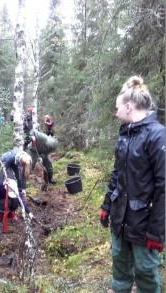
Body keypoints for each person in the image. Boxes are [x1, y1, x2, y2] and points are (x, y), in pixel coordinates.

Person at [100, 76, 165, 293]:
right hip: (120, 217)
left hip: (145, 223)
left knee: (146, 273)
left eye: (117, 107)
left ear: (128, 107)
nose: (115, 111)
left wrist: (157, 232)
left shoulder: (157, 135)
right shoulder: (125, 134)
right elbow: (118, 174)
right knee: (119, 267)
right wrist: (106, 205)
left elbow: (163, 187)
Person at [0, 150, 33, 225]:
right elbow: (4, 169)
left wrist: (29, 212)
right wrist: (3, 182)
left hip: (5, 195)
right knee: (7, 202)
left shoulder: (13, 185)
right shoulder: (0, 186)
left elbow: (21, 199)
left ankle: (10, 213)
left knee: (15, 201)